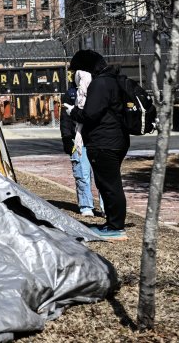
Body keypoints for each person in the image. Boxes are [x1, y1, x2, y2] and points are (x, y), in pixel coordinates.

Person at [66, 49, 129, 241]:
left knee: (109, 185)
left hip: (104, 142)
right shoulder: (112, 80)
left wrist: (73, 112)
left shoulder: (100, 84)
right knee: (109, 183)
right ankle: (112, 223)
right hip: (116, 139)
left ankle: (116, 227)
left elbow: (90, 114)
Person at [60, 76, 99, 217]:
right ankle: (86, 206)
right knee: (82, 174)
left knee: (103, 176)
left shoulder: (99, 92)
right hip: (78, 139)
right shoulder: (71, 94)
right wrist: (66, 138)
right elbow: (65, 118)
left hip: (97, 139)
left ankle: (107, 207)